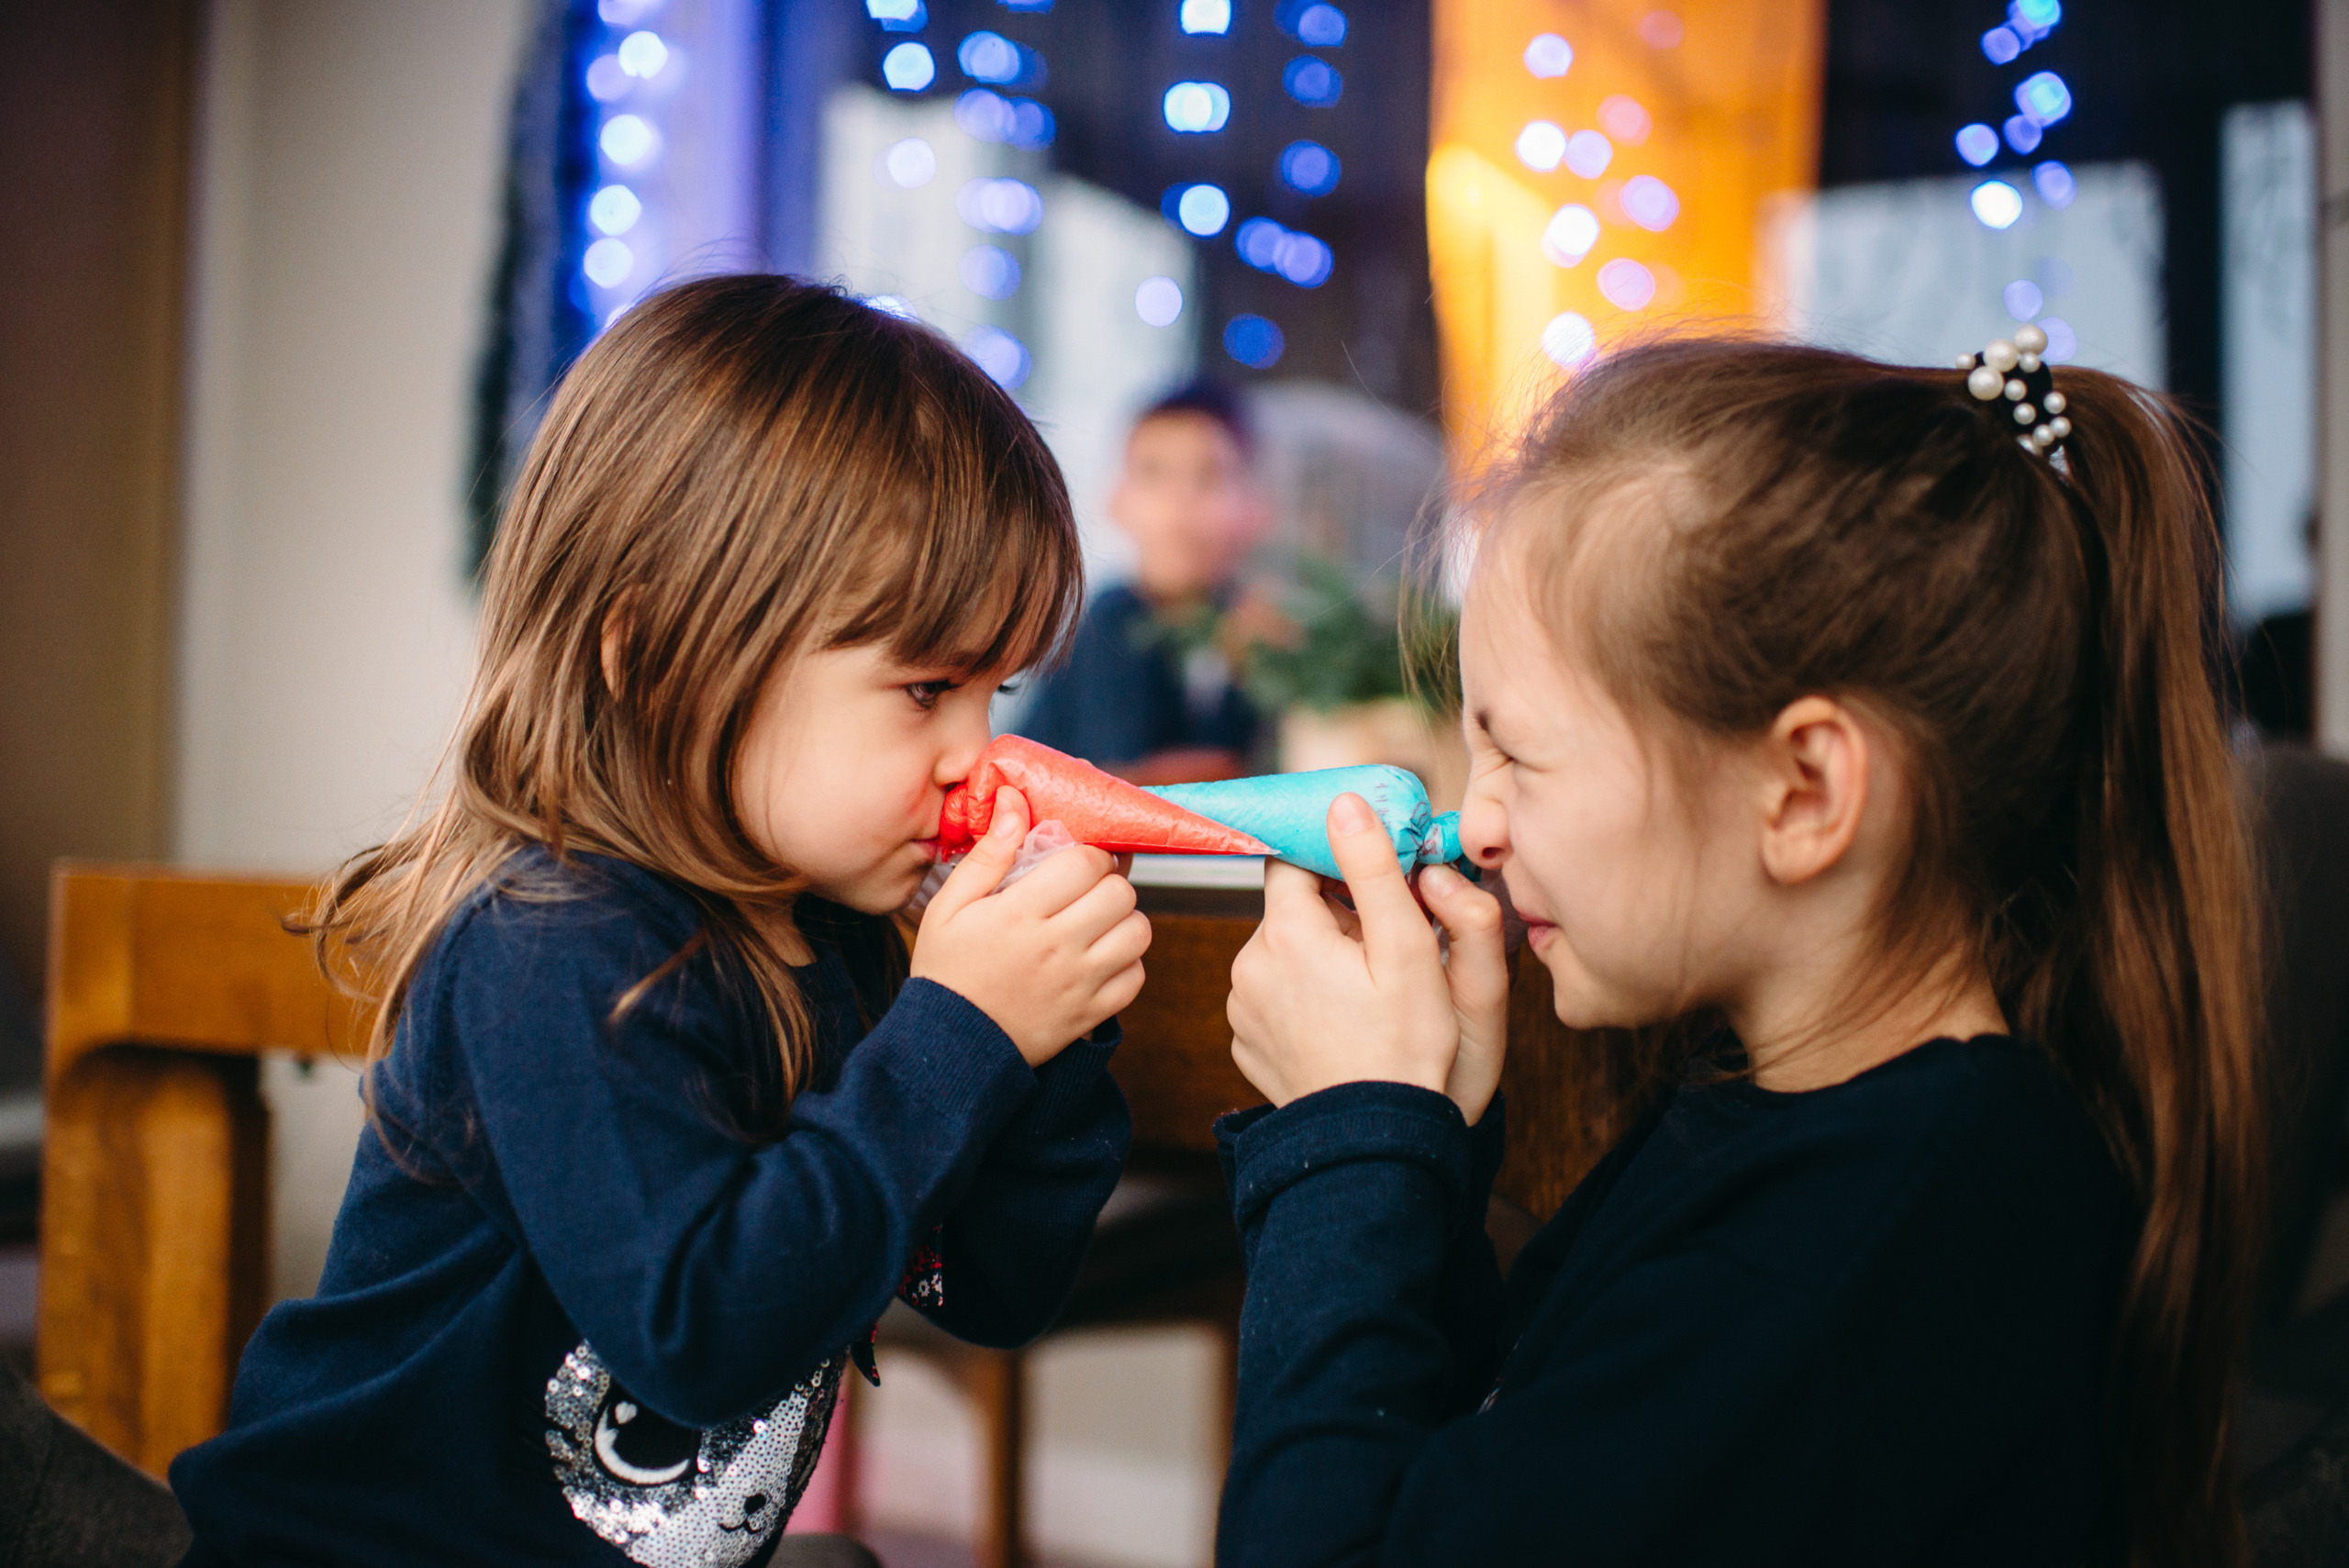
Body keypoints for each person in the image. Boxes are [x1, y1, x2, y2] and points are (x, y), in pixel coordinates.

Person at [1214, 338, 2263, 1566]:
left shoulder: (1846, 1269)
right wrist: (1421, 1155)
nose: (1475, 818)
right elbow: (1505, 1462)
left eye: (1519, 753)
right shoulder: (1806, 1116)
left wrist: (1349, 1150)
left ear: (1806, 790)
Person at [164, 278, 1150, 1568]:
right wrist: (961, 1031)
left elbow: (987, 1289)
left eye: (994, 689)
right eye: (924, 689)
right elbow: (705, 1328)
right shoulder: (553, 949)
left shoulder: (849, 943)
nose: (981, 755)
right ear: (658, 652)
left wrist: (1039, 1043)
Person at [1016, 381, 1272, 784]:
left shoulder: (1257, 625)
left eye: (1208, 476)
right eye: (1154, 474)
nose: (1180, 499)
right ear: (1116, 501)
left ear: (1256, 507)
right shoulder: (1112, 619)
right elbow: (1118, 781)